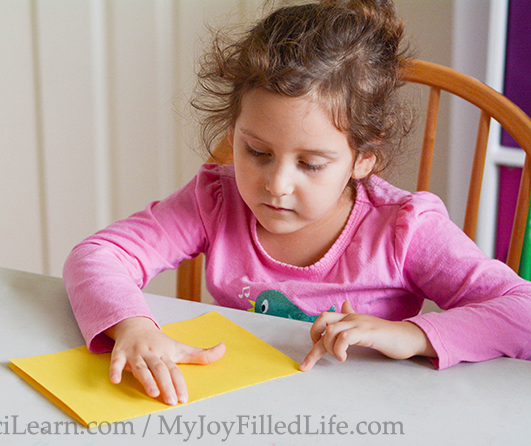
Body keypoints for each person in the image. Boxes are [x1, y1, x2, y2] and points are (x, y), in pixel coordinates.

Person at [63, 0, 531, 407]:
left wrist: (416, 336)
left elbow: (523, 312)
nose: (277, 184)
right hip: (239, 408)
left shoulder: (404, 229)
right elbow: (99, 255)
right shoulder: (216, 199)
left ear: (363, 158)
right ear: (233, 133)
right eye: (257, 152)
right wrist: (133, 326)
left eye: (310, 164)